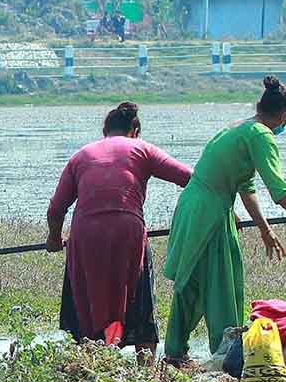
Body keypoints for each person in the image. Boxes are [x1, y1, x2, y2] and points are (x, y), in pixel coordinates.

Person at [162, 76, 286, 367]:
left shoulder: (239, 127)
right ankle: (228, 356)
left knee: (191, 281)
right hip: (210, 210)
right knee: (222, 282)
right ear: (285, 114)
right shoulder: (261, 135)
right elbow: (280, 193)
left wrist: (265, 229)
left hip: (193, 206)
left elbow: (247, 188)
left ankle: (175, 353)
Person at [47, 102, 193, 361]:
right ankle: (146, 369)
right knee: (138, 296)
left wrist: (55, 238)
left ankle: (90, 361)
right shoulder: (142, 149)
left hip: (86, 233)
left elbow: (57, 208)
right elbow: (190, 178)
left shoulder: (81, 155)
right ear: (135, 130)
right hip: (128, 229)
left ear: (105, 131)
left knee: (86, 296)